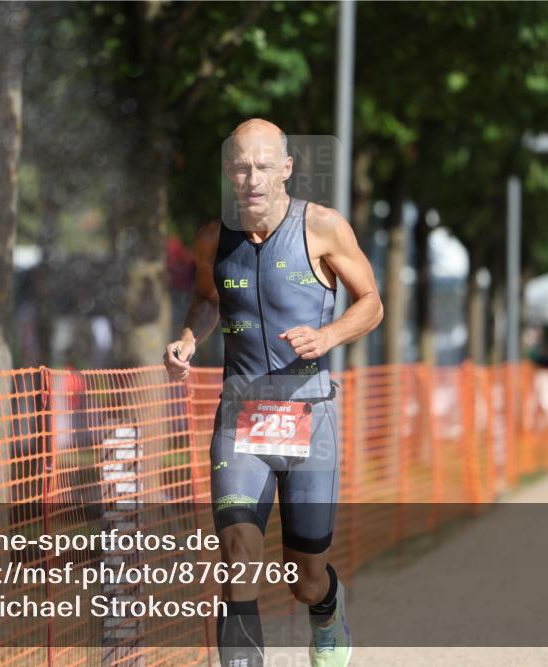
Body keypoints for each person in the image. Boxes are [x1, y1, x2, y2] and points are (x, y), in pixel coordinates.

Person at [163, 119, 383, 667]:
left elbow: (371, 302)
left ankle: (327, 610)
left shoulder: (324, 228)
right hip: (241, 419)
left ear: (286, 168)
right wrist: (190, 338)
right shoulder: (214, 237)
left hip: (309, 416)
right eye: (241, 166)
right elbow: (207, 299)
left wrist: (328, 335)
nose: (252, 178)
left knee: (304, 579)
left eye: (263, 166)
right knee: (237, 558)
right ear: (228, 172)